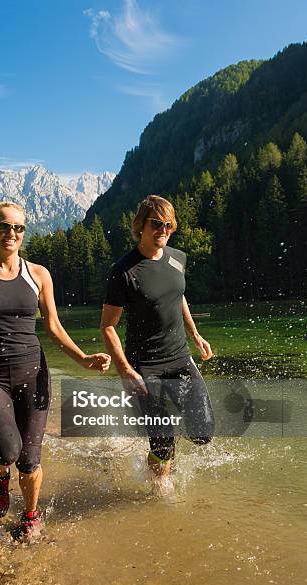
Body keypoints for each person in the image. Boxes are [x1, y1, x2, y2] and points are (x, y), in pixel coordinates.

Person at [0, 201, 110, 541]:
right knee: (7, 451)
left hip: (33, 374)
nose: (12, 233)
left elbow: (54, 327)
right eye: (4, 226)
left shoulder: (38, 274)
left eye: (18, 228)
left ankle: (31, 516)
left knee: (30, 458)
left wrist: (82, 359)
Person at [100, 195, 214, 492]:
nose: (163, 229)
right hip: (145, 368)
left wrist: (195, 334)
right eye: (156, 224)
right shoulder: (124, 271)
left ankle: (165, 445)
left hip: (180, 358)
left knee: (203, 433)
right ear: (140, 226)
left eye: (168, 224)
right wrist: (125, 370)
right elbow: (108, 326)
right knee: (163, 445)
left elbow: (178, 296)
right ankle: (159, 484)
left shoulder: (177, 258)